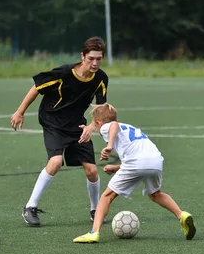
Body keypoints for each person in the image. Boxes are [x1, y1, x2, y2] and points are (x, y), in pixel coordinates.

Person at [10, 36, 109, 227]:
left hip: (77, 125)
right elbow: (37, 88)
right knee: (55, 162)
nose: (95, 63)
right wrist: (20, 112)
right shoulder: (64, 73)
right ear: (82, 56)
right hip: (53, 121)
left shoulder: (101, 78)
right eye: (91, 58)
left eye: (99, 59)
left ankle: (95, 210)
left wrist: (91, 127)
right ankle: (30, 207)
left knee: (91, 170)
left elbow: (101, 108)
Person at [73, 103, 196, 243]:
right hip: (155, 161)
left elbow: (113, 125)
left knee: (107, 196)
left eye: (96, 126)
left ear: (98, 123)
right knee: (156, 194)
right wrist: (116, 167)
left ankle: (94, 232)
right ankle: (182, 215)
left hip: (136, 163)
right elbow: (139, 158)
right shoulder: (131, 128)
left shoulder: (108, 126)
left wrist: (109, 145)